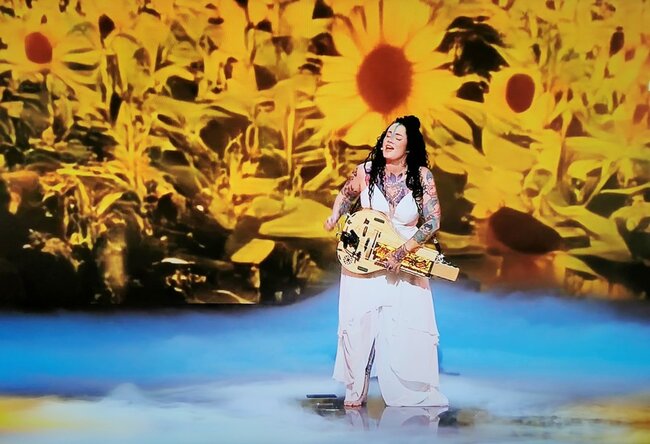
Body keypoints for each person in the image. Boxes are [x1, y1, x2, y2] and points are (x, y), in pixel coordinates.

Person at [324, 115, 449, 408]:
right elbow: (345, 195)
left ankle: (407, 388)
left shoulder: (422, 177)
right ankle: (356, 387)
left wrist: (402, 252)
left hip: (404, 261)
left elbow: (433, 221)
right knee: (358, 324)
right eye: (387, 135)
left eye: (397, 137)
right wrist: (335, 215)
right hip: (363, 261)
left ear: (409, 146)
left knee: (403, 326)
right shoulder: (366, 172)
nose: (389, 140)